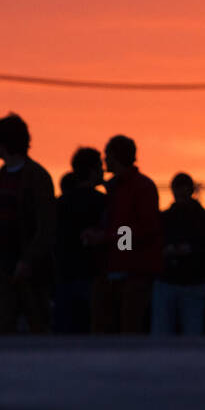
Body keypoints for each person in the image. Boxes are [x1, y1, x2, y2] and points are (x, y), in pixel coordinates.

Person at [0, 114, 56, 334]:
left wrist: (28, 259)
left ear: (5, 143)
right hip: (0, 263)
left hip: (29, 267)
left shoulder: (37, 176)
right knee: (0, 326)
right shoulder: (2, 174)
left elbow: (46, 225)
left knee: (37, 325)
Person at [86, 135, 161, 333]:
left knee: (129, 328)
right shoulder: (119, 187)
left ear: (116, 156)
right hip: (114, 269)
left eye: (107, 155)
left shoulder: (139, 187)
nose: (104, 161)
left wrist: (108, 238)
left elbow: (146, 227)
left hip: (132, 273)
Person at [151, 173, 205, 335]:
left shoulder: (165, 217)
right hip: (184, 281)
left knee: (164, 331)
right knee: (190, 331)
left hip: (179, 281)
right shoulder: (203, 218)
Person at [53, 148, 107, 333]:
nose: (104, 170)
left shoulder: (60, 204)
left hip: (64, 275)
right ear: (92, 171)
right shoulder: (104, 202)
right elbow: (124, 235)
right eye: (100, 166)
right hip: (95, 276)